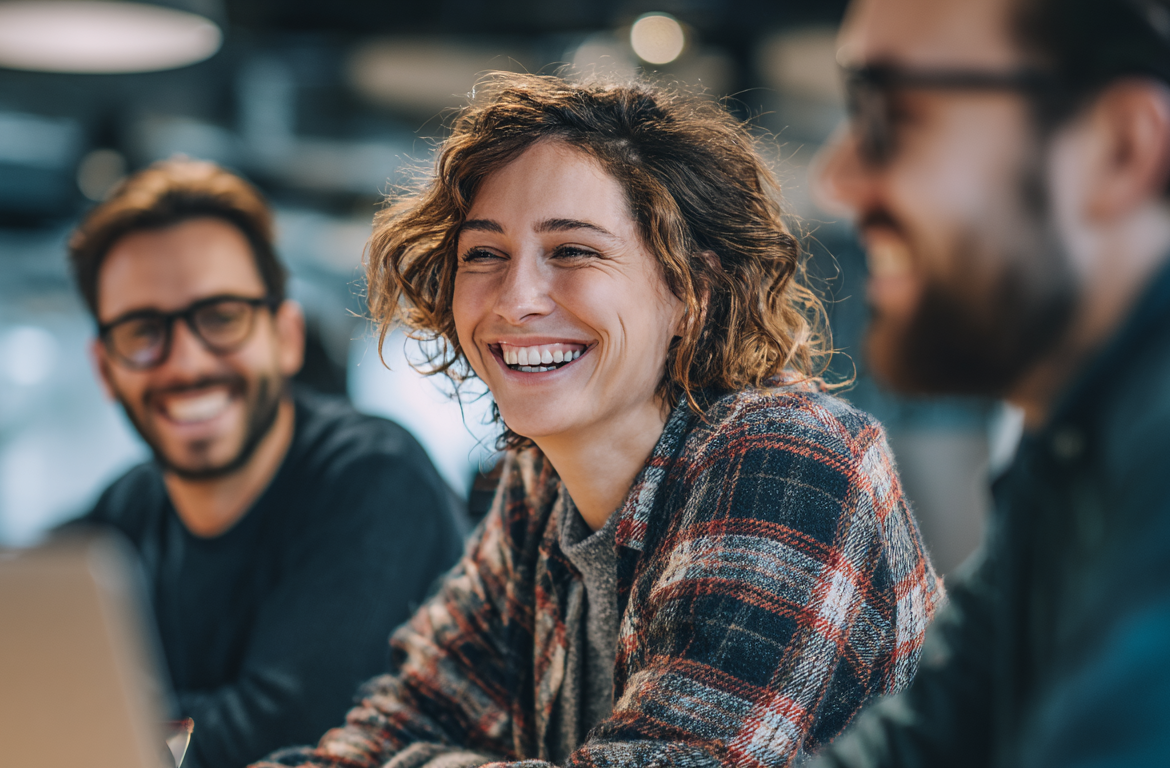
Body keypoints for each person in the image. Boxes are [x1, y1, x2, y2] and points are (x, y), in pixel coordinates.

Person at [254, 74, 943, 768]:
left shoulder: (790, 459)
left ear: (690, 291)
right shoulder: (540, 491)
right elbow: (402, 722)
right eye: (483, 255)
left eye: (574, 251)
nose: (516, 299)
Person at [804, 0, 1170, 766]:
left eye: (888, 117)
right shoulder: (1094, 420)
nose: (836, 181)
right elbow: (930, 744)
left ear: (1120, 148)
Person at [66, 159, 467, 768]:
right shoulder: (129, 507)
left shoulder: (371, 476)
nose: (185, 363)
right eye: (143, 330)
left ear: (285, 336)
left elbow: (285, 737)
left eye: (221, 318)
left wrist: (106, 727)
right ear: (104, 368)